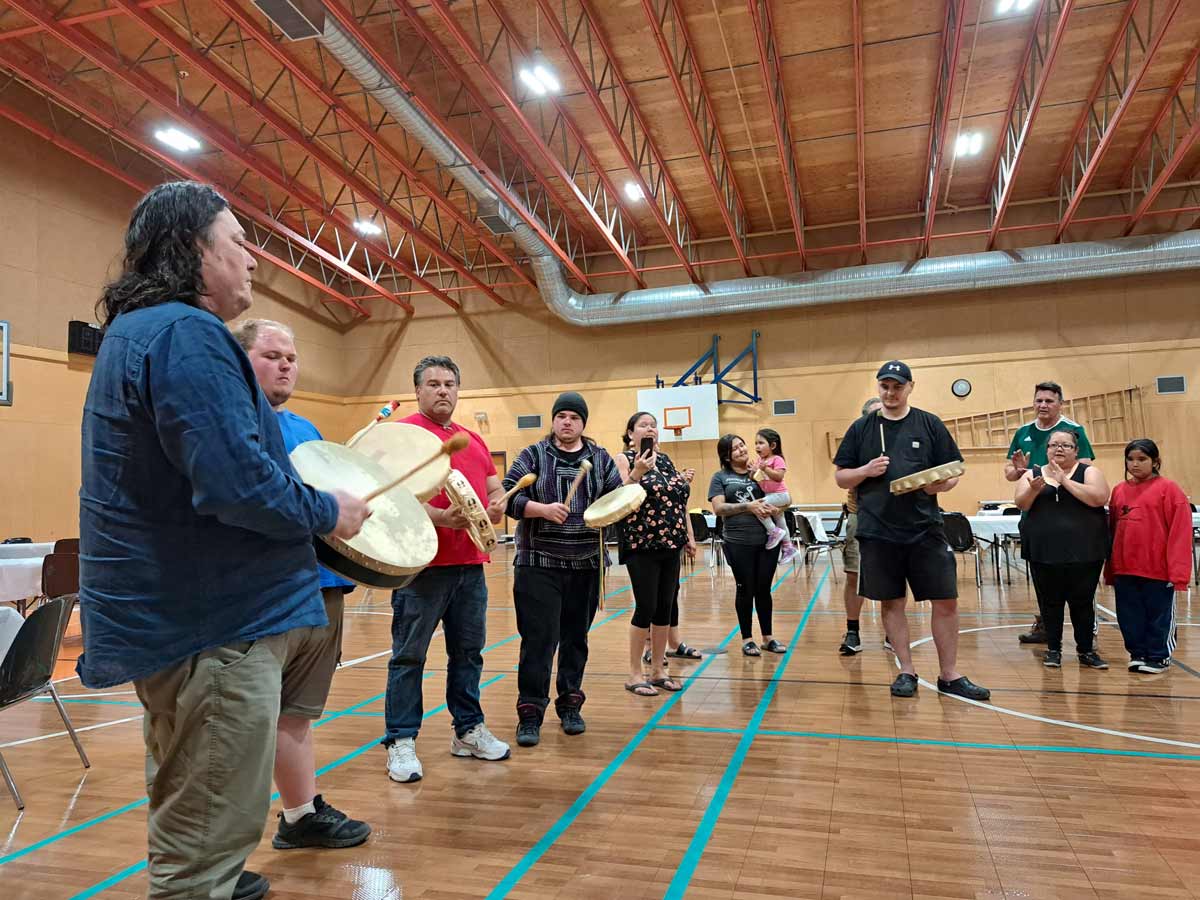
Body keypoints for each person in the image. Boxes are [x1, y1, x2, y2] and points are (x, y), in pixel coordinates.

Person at [78, 182, 369, 900]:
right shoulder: (185, 332)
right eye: (238, 242)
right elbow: (237, 484)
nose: (253, 261)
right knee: (203, 852)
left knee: (193, 811)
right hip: (215, 629)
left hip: (191, 626)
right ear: (194, 250)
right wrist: (325, 510)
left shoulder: (142, 331)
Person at [233, 318, 371, 850]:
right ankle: (222, 855)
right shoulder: (233, 425)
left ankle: (300, 815)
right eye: (272, 355)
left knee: (297, 712)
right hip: (267, 594)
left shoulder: (307, 429)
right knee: (247, 721)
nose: (287, 363)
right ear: (240, 360)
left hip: (323, 587)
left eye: (291, 356)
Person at [381, 356, 510, 784]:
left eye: (450, 384)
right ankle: (400, 740)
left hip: (470, 565)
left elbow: (491, 483)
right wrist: (438, 519)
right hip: (420, 569)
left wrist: (498, 501)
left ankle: (467, 731)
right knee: (409, 657)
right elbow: (387, 498)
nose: (443, 391)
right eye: (433, 384)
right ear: (417, 390)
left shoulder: (471, 439)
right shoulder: (401, 437)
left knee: (468, 654)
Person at [833, 361, 989, 700]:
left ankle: (950, 674)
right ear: (878, 387)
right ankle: (906, 671)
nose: (890, 393)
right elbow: (842, 476)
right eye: (884, 386)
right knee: (892, 602)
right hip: (878, 531)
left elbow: (953, 470)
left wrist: (941, 486)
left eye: (897, 386)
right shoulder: (861, 428)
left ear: (910, 387)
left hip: (925, 528)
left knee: (945, 601)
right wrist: (866, 470)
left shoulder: (929, 424)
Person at [503, 392, 623, 746]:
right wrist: (540, 509)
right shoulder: (533, 455)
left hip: (585, 564)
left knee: (575, 640)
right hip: (538, 564)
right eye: (561, 416)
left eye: (573, 416)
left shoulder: (600, 460)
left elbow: (616, 501)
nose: (566, 421)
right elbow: (509, 495)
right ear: (553, 421)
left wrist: (616, 510)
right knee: (538, 641)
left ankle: (570, 705)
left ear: (583, 423)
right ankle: (530, 712)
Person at [1003, 382, 1096, 644]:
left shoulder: (1074, 430)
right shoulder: (1023, 432)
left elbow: (1085, 468)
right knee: (1043, 578)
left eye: (1049, 401)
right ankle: (1047, 627)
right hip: (1036, 512)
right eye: (1039, 400)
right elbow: (1010, 473)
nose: (1043, 405)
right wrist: (1019, 470)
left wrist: (1058, 478)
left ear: (1060, 404)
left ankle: (1087, 632)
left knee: (1079, 579)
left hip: (1070, 514)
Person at [615, 411, 696, 697]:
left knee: (665, 607)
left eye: (653, 425)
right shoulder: (624, 459)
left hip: (670, 543)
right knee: (645, 606)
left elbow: (677, 501)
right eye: (643, 425)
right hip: (641, 544)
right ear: (631, 433)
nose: (650, 428)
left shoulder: (664, 460)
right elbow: (619, 498)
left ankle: (659, 670)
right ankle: (635, 673)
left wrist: (688, 536)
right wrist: (637, 470)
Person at [1014, 429, 1110, 669]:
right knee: (1050, 603)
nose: (1059, 449)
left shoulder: (1089, 472)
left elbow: (1099, 498)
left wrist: (1064, 480)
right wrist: (1034, 489)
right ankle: (1053, 650)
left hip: (1085, 551)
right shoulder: (1032, 473)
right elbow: (1021, 503)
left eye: (1066, 445)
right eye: (1054, 444)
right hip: (1043, 551)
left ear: (1077, 451)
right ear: (1046, 449)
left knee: (1082, 602)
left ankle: (1086, 651)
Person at [1106, 439, 1191, 674]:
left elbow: (1180, 533)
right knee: (1129, 616)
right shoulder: (1119, 491)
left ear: (1156, 462)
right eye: (1130, 459)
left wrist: (1178, 572)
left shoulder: (1169, 489)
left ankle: (1159, 655)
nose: (1135, 464)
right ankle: (1138, 653)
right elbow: (1113, 531)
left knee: (1159, 615)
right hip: (1125, 568)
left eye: (1142, 459)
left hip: (1158, 569)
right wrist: (1111, 569)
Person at [709, 434, 787, 657]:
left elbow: (779, 496)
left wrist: (777, 510)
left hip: (766, 541)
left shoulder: (760, 472)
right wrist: (748, 507)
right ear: (726, 455)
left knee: (764, 589)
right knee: (745, 588)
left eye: (743, 445)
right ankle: (747, 639)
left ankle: (768, 637)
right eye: (735, 448)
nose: (742, 450)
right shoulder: (720, 477)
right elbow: (719, 509)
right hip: (738, 542)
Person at [838, 397, 888, 656]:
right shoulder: (856, 441)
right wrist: (866, 470)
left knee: (892, 575)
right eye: (875, 415)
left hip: (893, 518)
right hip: (861, 515)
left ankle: (892, 632)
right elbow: (843, 478)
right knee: (854, 575)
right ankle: (853, 630)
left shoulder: (898, 440)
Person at [750, 428, 798, 563]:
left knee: (758, 507)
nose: (757, 446)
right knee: (780, 519)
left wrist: (765, 468)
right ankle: (788, 547)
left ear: (772, 445)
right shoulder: (760, 460)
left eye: (761, 443)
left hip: (780, 495)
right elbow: (757, 479)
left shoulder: (777, 459)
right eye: (755, 443)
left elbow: (778, 477)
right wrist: (753, 472)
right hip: (771, 495)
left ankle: (773, 531)